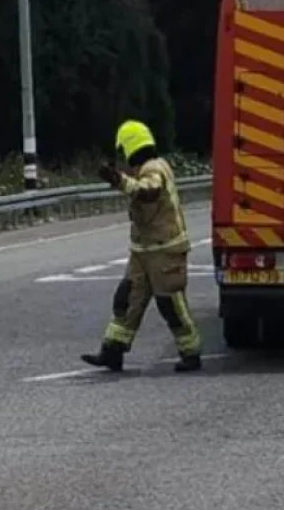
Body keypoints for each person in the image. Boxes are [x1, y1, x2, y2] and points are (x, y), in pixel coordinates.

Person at [81, 120, 202, 373]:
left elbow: (150, 191)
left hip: (165, 250)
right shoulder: (143, 170)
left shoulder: (154, 169)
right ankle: (112, 351)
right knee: (127, 299)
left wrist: (120, 181)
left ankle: (190, 352)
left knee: (171, 304)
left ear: (129, 148)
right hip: (143, 251)